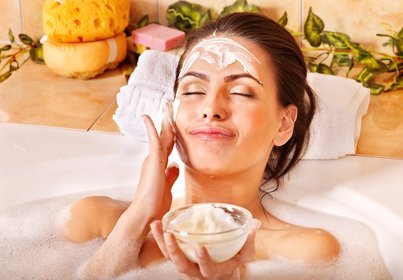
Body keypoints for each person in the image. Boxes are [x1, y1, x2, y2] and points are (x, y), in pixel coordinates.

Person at [65, 12, 340, 279]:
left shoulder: (304, 254)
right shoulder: (95, 219)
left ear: (283, 124)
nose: (210, 108)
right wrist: (138, 217)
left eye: (241, 92)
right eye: (193, 90)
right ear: (172, 112)